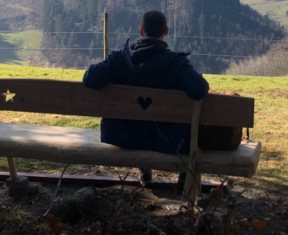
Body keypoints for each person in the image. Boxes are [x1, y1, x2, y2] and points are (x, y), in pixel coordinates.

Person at [82, 10, 209, 186]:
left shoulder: (120, 58)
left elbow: (89, 79)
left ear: (141, 31)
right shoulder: (177, 64)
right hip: (169, 140)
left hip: (122, 136)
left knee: (140, 127)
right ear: (166, 31)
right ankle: (184, 178)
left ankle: (145, 170)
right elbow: (200, 89)